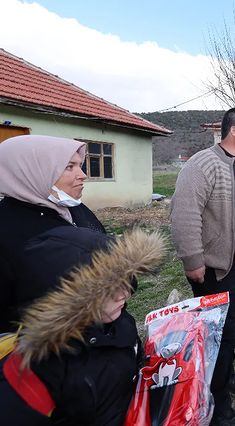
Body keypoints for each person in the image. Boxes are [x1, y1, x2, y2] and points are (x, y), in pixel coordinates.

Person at [0, 226, 165, 425]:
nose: (124, 294)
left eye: (125, 281)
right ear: (67, 302)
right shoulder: (32, 373)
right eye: (108, 289)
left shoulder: (120, 322)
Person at [170, 107, 235, 426]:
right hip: (218, 270)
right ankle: (218, 407)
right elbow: (184, 212)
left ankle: (224, 375)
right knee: (219, 336)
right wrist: (193, 259)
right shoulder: (204, 163)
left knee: (234, 327)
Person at [0, 135, 105, 333]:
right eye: (69, 167)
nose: (83, 175)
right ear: (30, 171)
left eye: (80, 165)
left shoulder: (75, 208)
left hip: (103, 342)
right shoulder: (6, 228)